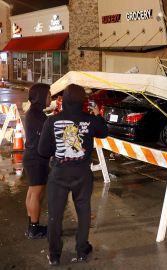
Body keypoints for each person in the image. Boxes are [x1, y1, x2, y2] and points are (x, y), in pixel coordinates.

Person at [38, 84, 108, 265]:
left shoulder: (52, 121)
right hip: (83, 174)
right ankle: (82, 250)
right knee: (83, 212)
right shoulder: (90, 120)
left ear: (65, 100)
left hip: (60, 173)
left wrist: (58, 148)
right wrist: (97, 114)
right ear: (83, 101)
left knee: (55, 215)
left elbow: (43, 150)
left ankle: (54, 255)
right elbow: (104, 132)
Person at [23, 83, 51, 239]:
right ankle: (34, 228)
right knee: (36, 193)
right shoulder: (36, 114)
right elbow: (49, 132)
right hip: (36, 159)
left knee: (32, 192)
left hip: (32, 157)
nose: (50, 98)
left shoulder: (34, 112)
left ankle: (32, 225)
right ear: (40, 97)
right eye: (48, 96)